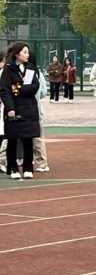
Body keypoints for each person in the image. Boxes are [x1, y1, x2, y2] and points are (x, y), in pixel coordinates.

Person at [0, 42, 40, 179]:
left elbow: (34, 87)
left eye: (27, 52)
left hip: (29, 108)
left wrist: (17, 88)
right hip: (14, 108)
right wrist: (10, 108)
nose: (27, 55)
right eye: (24, 52)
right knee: (12, 139)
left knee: (28, 138)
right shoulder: (8, 70)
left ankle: (28, 168)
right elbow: (5, 91)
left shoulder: (31, 68)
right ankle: (13, 169)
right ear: (17, 54)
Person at [29, 52, 50, 172]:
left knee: (36, 138)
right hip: (34, 109)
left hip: (33, 110)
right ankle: (39, 162)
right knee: (37, 138)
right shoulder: (38, 73)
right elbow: (43, 92)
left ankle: (41, 163)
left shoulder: (35, 73)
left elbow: (43, 92)